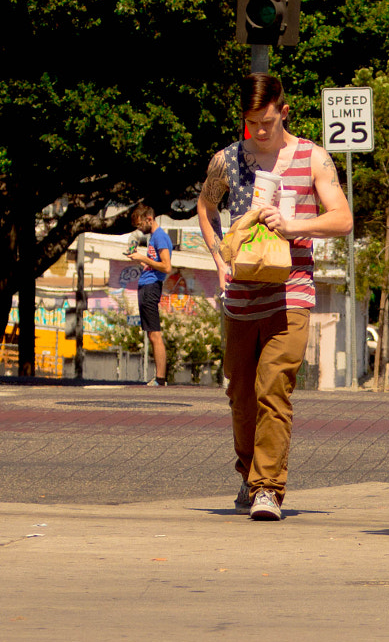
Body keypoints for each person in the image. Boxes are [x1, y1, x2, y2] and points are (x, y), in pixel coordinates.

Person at [196, 75, 353, 521]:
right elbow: (206, 208)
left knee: (273, 387)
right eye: (251, 123)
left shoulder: (313, 159)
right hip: (241, 293)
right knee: (240, 394)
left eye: (266, 121)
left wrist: (294, 225)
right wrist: (218, 258)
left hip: (292, 289)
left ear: (284, 111)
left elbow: (341, 219)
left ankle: (268, 488)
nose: (259, 131)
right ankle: (248, 474)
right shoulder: (226, 161)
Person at [125, 204, 175, 386]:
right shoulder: (154, 237)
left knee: (154, 333)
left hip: (152, 286)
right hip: (147, 284)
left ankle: (160, 378)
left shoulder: (160, 237)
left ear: (149, 219)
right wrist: (142, 261)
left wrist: (142, 258)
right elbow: (155, 263)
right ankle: (158, 377)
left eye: (140, 225)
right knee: (150, 333)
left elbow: (166, 266)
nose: (139, 229)